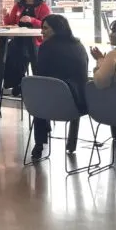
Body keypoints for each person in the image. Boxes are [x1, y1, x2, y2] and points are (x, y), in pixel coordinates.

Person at [30, 14, 90, 160]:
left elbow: (40, 75)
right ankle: (71, 144)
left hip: (50, 106)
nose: (42, 32)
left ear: (56, 29)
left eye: (45, 28)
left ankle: (39, 144)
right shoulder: (79, 45)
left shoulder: (46, 48)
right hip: (79, 103)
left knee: (39, 95)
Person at [2, 0, 52, 95]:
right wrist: (6, 15)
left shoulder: (43, 7)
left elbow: (47, 25)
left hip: (37, 41)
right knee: (10, 50)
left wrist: (32, 20)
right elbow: (10, 23)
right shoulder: (18, 6)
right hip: (19, 40)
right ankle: (15, 82)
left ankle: (27, 84)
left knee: (27, 50)